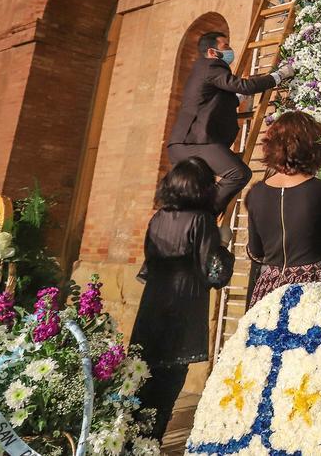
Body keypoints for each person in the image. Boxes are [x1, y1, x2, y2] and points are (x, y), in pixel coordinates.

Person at [130, 157, 232, 442]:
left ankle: (131, 442)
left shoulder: (158, 218)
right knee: (167, 388)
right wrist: (223, 243)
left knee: (140, 382)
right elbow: (215, 273)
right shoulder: (202, 221)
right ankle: (149, 443)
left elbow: (149, 263)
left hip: (152, 307)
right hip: (181, 310)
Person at [167, 31, 296, 217]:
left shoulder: (202, 70)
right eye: (225, 46)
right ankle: (204, 216)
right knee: (238, 173)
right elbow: (244, 86)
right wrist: (279, 76)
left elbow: (212, 101)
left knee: (196, 192)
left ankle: (192, 220)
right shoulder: (211, 66)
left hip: (185, 144)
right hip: (194, 143)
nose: (230, 50)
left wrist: (237, 97)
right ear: (212, 52)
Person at [244, 110, 321, 307]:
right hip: (311, 289)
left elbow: (256, 251)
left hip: (269, 290)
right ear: (314, 147)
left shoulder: (256, 193)